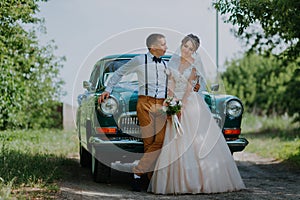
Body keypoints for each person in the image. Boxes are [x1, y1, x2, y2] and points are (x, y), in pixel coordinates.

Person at [147, 34, 246, 194]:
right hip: (174, 102)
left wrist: (180, 107)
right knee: (174, 141)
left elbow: (188, 88)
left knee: (194, 142)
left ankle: (199, 181)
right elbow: (170, 84)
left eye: (190, 48)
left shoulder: (194, 65)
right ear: (181, 45)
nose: (187, 50)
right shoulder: (173, 63)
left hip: (190, 104)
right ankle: (176, 183)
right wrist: (170, 102)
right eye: (185, 46)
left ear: (194, 51)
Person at [99, 33, 169, 192]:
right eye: (163, 44)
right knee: (148, 143)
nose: (166, 47)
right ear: (153, 47)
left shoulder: (165, 65)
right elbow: (119, 73)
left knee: (161, 141)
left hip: (162, 105)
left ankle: (138, 172)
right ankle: (148, 181)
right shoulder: (139, 60)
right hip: (145, 103)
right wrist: (108, 90)